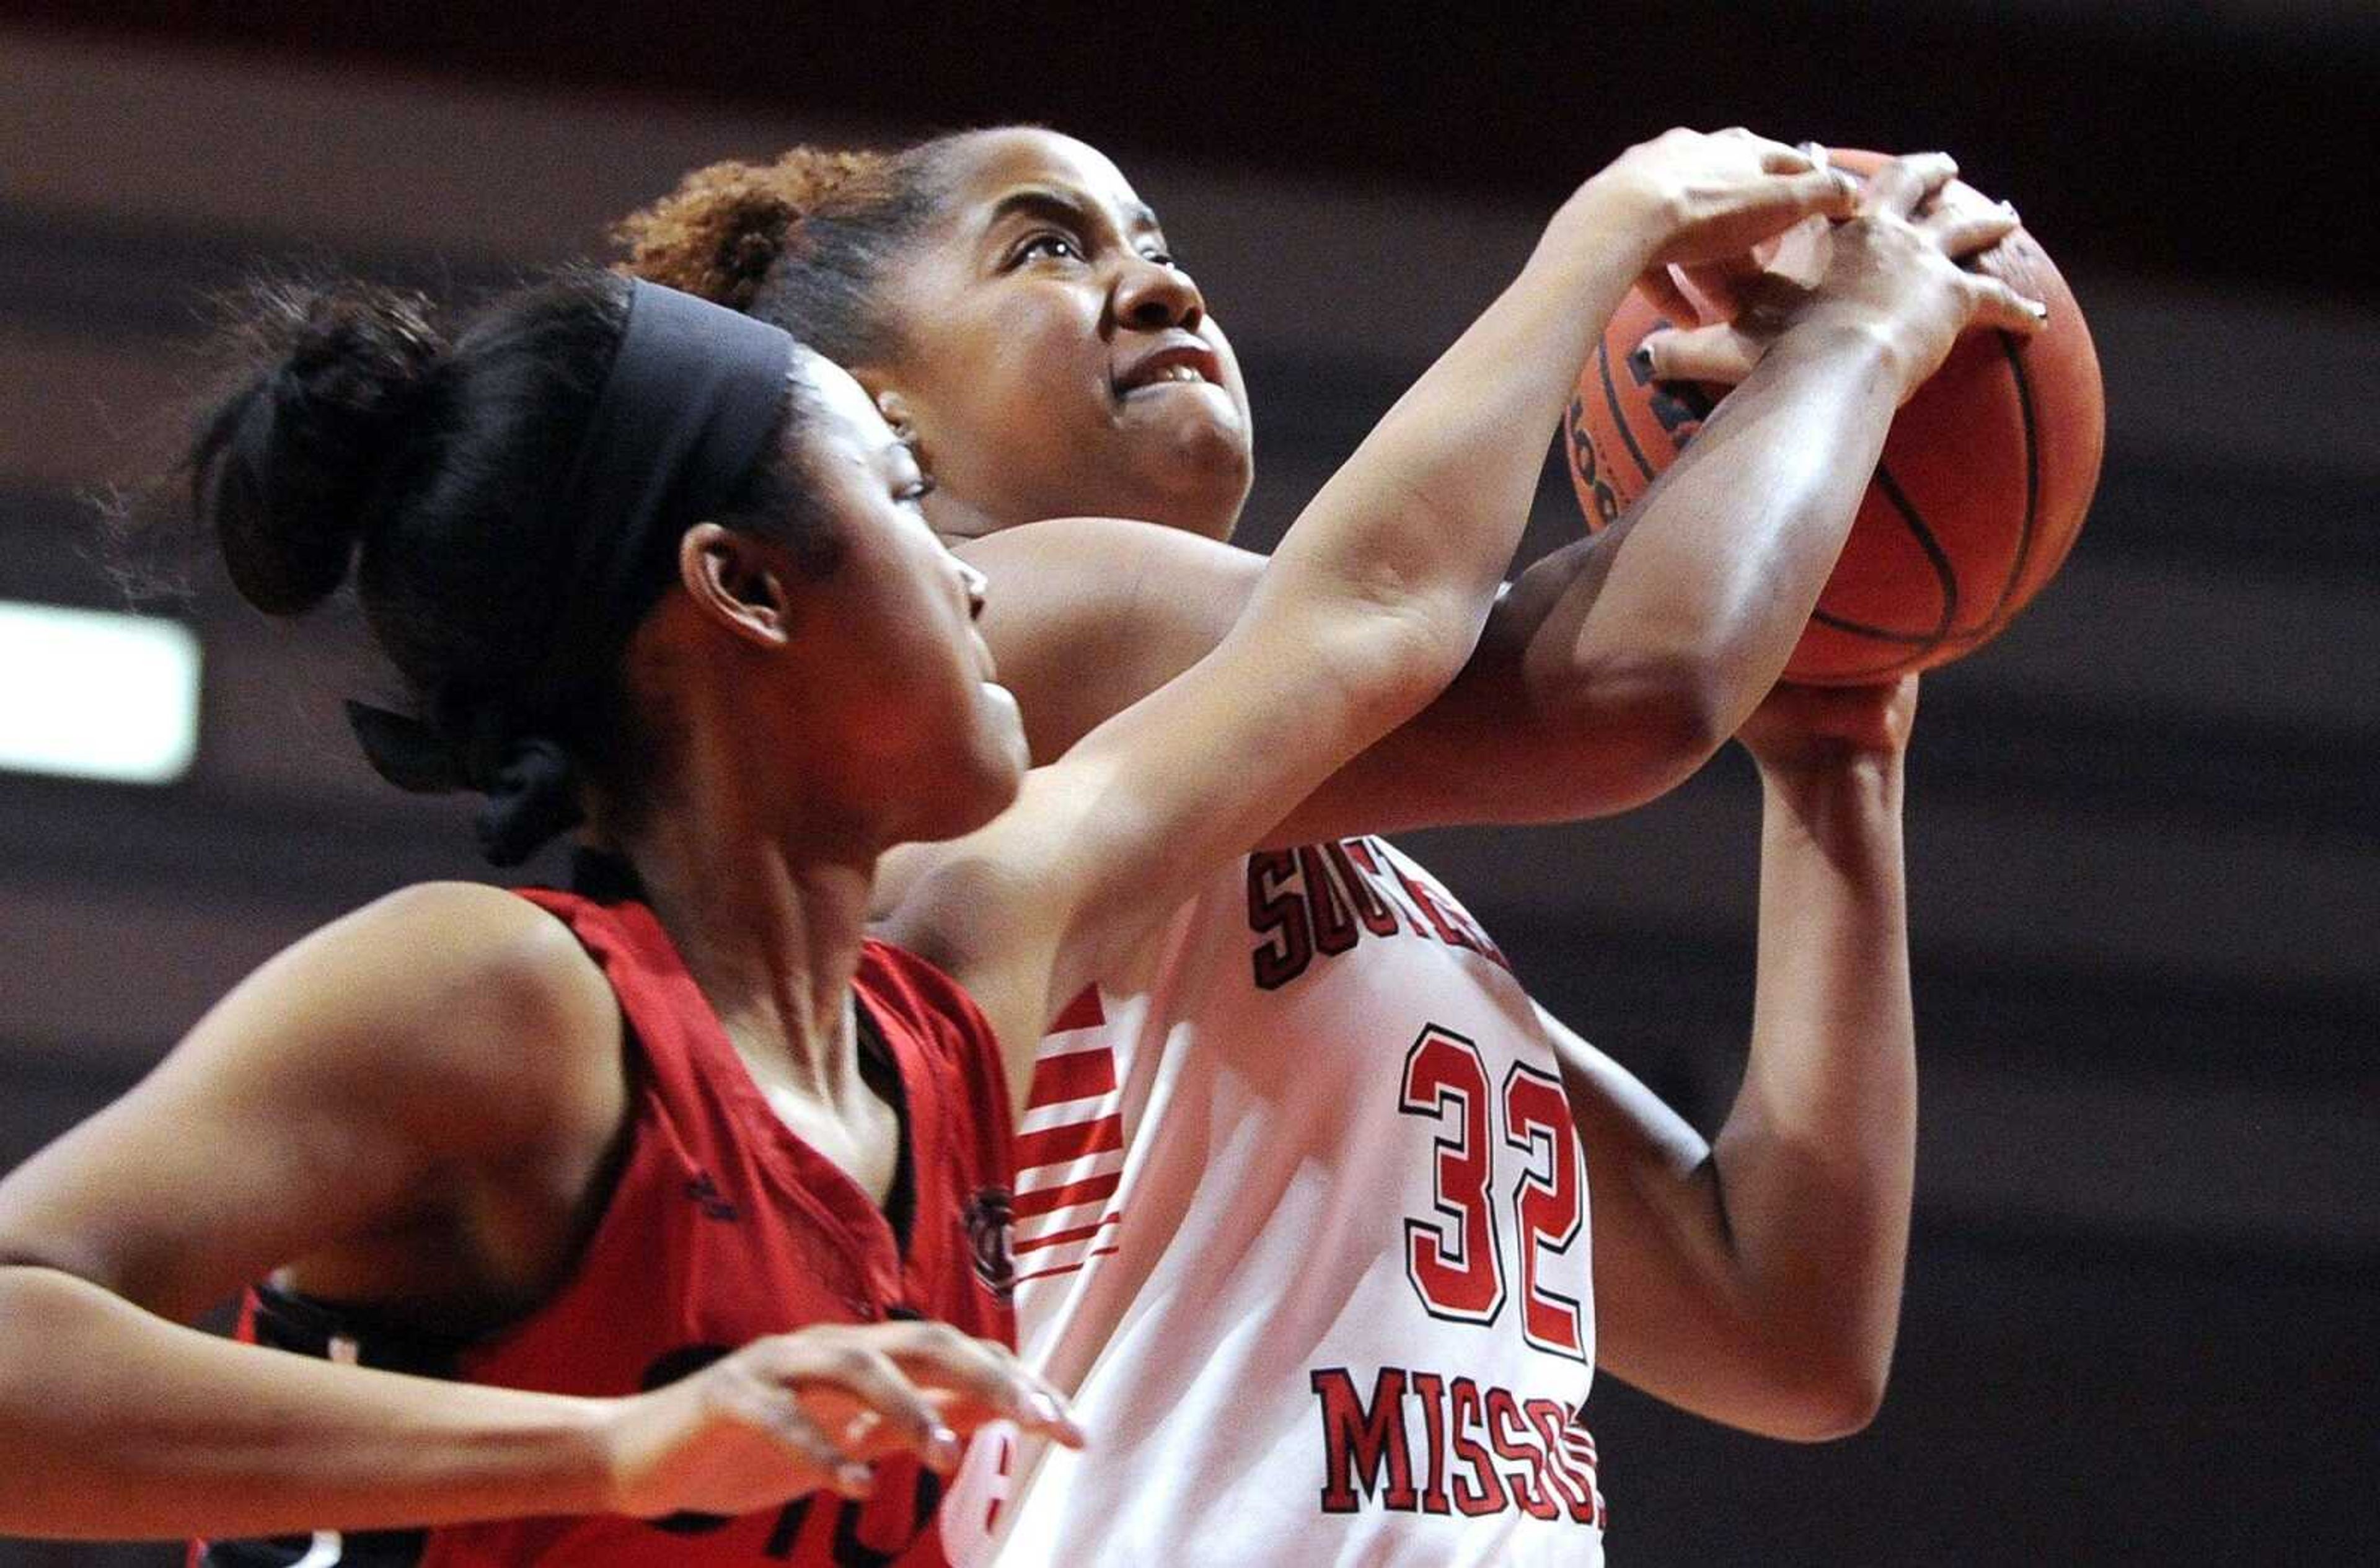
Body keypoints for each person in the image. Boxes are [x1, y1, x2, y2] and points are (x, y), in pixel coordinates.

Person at [0, 203, 1680, 1563]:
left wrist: (1622, 226)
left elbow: (1368, 622)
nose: (966, 575)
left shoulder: (951, 1001)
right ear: (742, 586)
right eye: (897, 505)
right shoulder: (506, 996)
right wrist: (613, 1446)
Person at [619, 127, 2041, 1563]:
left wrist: (1838, 752)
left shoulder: (1325, 869)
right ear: (882, 419)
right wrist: (1842, 328)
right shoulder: (1012, 630)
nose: (1160, 289)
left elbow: (1783, 1325)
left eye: (1161, 247)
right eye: (1048, 247)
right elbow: (1630, 684)